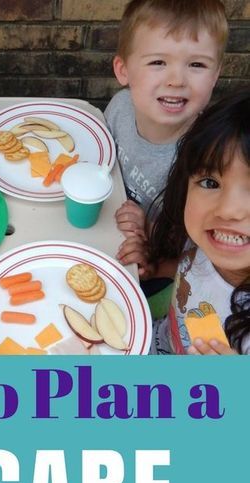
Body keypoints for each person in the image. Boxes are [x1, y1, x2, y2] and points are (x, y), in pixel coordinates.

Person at [103, 0, 227, 278]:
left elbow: (200, 261)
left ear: (215, 75)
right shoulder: (120, 108)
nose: (176, 80)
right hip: (103, 230)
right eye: (158, 62)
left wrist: (148, 246)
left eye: (196, 64)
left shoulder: (209, 159)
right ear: (124, 70)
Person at [149, 87, 250, 354]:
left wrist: (235, 383)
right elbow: (188, 270)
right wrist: (151, 265)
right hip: (155, 340)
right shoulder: (203, 238)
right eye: (210, 182)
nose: (228, 211)